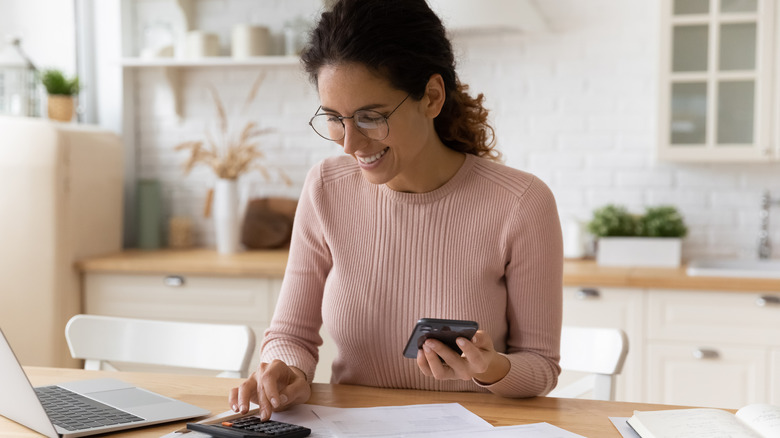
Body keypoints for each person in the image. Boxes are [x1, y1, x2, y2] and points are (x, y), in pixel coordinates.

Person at [230, 0, 563, 420]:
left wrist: (492, 369)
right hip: (349, 429)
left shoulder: (521, 202)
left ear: (432, 97)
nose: (349, 144)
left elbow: (541, 366)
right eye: (334, 118)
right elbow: (291, 334)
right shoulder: (326, 188)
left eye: (371, 117)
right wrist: (285, 369)